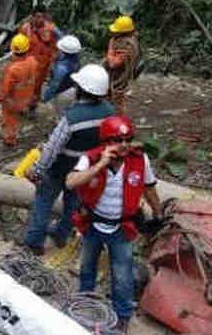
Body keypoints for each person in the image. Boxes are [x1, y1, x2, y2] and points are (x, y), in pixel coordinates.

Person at [66, 115, 162, 332]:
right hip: (93, 224)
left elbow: (149, 188)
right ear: (105, 143)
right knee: (87, 266)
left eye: (128, 139)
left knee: (122, 273)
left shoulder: (140, 160)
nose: (124, 145)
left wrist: (158, 213)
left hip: (122, 227)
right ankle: (85, 300)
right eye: (118, 140)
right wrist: (101, 164)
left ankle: (123, 315)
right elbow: (71, 182)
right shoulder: (90, 159)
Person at [23, 64, 116, 255]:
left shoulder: (72, 117)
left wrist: (37, 169)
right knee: (73, 205)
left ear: (81, 89)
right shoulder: (110, 113)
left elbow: (52, 148)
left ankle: (34, 242)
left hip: (60, 169)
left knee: (43, 202)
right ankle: (61, 235)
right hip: (85, 172)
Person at [0, 34, 38, 146]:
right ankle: (22, 112)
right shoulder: (33, 61)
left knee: (9, 119)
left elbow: (5, 88)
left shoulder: (13, 69)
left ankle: (10, 140)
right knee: (18, 113)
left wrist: (0, 97)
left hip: (13, 101)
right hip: (26, 97)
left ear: (13, 50)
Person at [20, 6, 61, 117]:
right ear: (32, 16)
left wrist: (54, 62)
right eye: (37, 16)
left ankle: (32, 108)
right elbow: (19, 44)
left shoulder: (51, 29)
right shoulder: (25, 29)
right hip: (27, 63)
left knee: (37, 87)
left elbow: (58, 46)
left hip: (43, 65)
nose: (40, 19)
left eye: (42, 17)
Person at [104, 15, 140, 113]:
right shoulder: (127, 39)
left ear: (123, 33)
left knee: (117, 102)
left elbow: (112, 63)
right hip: (115, 77)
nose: (113, 32)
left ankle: (118, 122)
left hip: (119, 79)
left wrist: (110, 48)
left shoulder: (127, 46)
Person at [42, 34, 82, 114]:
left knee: (60, 112)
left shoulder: (62, 67)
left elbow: (54, 85)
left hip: (62, 92)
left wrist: (46, 97)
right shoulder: (75, 58)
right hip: (72, 88)